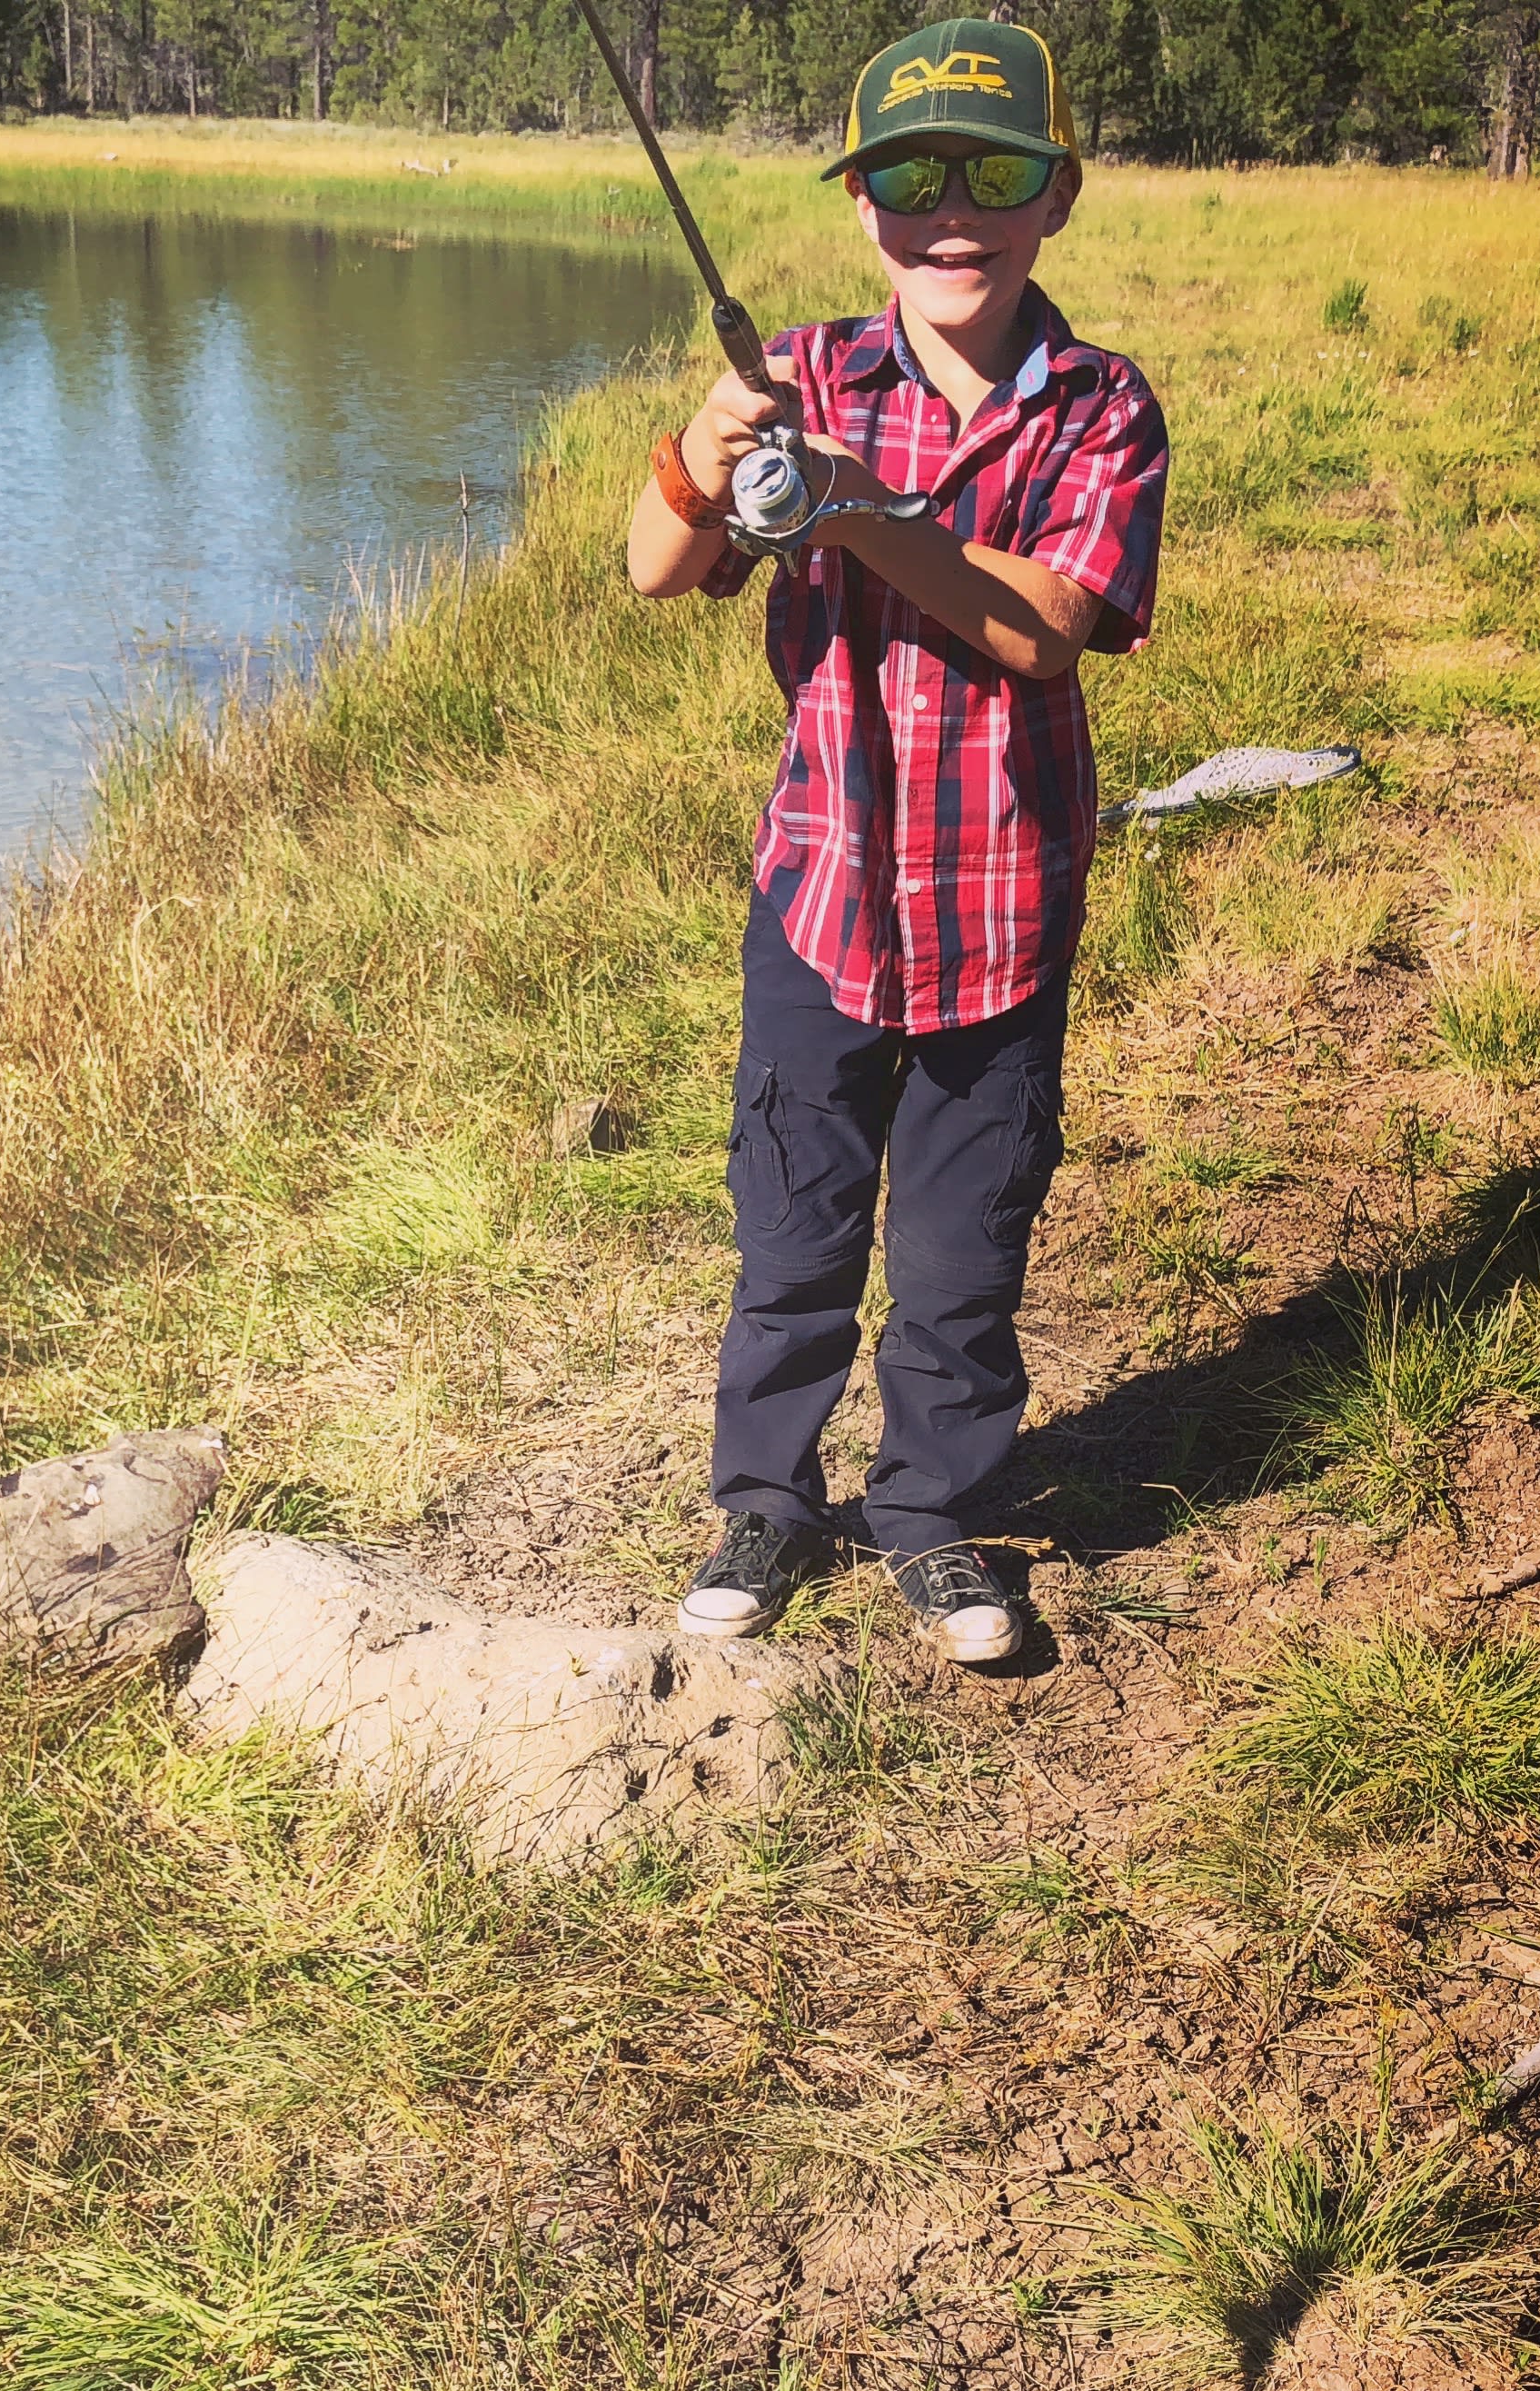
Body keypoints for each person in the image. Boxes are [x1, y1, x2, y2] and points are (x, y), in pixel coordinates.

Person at [627, 15, 1168, 1667]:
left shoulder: (1099, 406)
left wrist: (864, 509)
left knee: (958, 1254)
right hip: (823, 905)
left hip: (1004, 916)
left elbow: (1047, 631)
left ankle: (941, 1519)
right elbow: (655, 568)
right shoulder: (803, 374)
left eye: (993, 175)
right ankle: (767, 1504)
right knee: (790, 1235)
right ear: (865, 208)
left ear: (1054, 199)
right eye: (911, 178)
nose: (953, 214)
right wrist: (707, 457)